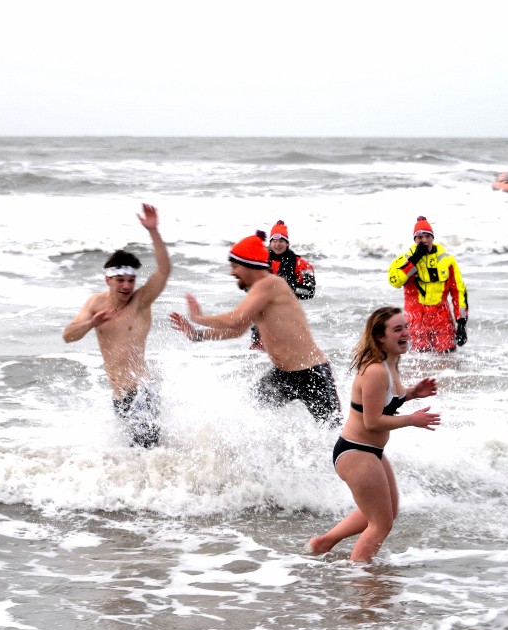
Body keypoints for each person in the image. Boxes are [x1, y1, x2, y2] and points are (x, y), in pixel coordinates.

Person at [308, 307, 440, 563]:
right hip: (356, 451)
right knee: (380, 525)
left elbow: (384, 402)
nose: (405, 333)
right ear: (380, 337)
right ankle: (363, 583)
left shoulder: (390, 363)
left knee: (387, 513)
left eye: (406, 326)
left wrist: (411, 394)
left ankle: (323, 543)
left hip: (369, 452)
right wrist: (412, 420)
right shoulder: (376, 370)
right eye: (397, 329)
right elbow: (372, 421)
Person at [170, 231, 341, 424]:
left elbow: (234, 319)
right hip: (284, 374)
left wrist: (198, 318)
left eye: (235, 266)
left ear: (250, 264)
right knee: (248, 416)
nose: (232, 272)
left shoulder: (270, 284)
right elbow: (237, 330)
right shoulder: (259, 292)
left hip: (312, 374)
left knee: (336, 435)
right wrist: (196, 335)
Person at [62, 204, 171, 447]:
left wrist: (153, 231)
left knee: (146, 451)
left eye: (131, 280)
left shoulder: (141, 302)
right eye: (120, 280)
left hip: (142, 393)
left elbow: (164, 270)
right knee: (139, 455)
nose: (126, 286)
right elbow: (68, 336)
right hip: (119, 398)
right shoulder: (95, 303)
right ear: (108, 280)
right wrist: (91, 323)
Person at [387, 216, 469, 353]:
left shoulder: (447, 259)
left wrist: (461, 322)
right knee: (420, 363)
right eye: (419, 237)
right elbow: (395, 281)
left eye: (427, 236)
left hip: (442, 320)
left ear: (432, 238)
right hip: (416, 321)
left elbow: (458, 291)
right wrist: (414, 261)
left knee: (449, 361)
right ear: (415, 240)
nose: (424, 240)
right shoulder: (406, 258)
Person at [249, 220, 317, 350]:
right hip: (263, 315)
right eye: (274, 241)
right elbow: (248, 286)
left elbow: (310, 291)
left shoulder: (301, 264)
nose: (277, 244)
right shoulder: (259, 261)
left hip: (287, 315)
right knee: (257, 355)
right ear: (270, 243)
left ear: (287, 243)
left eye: (281, 241)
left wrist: (287, 287)